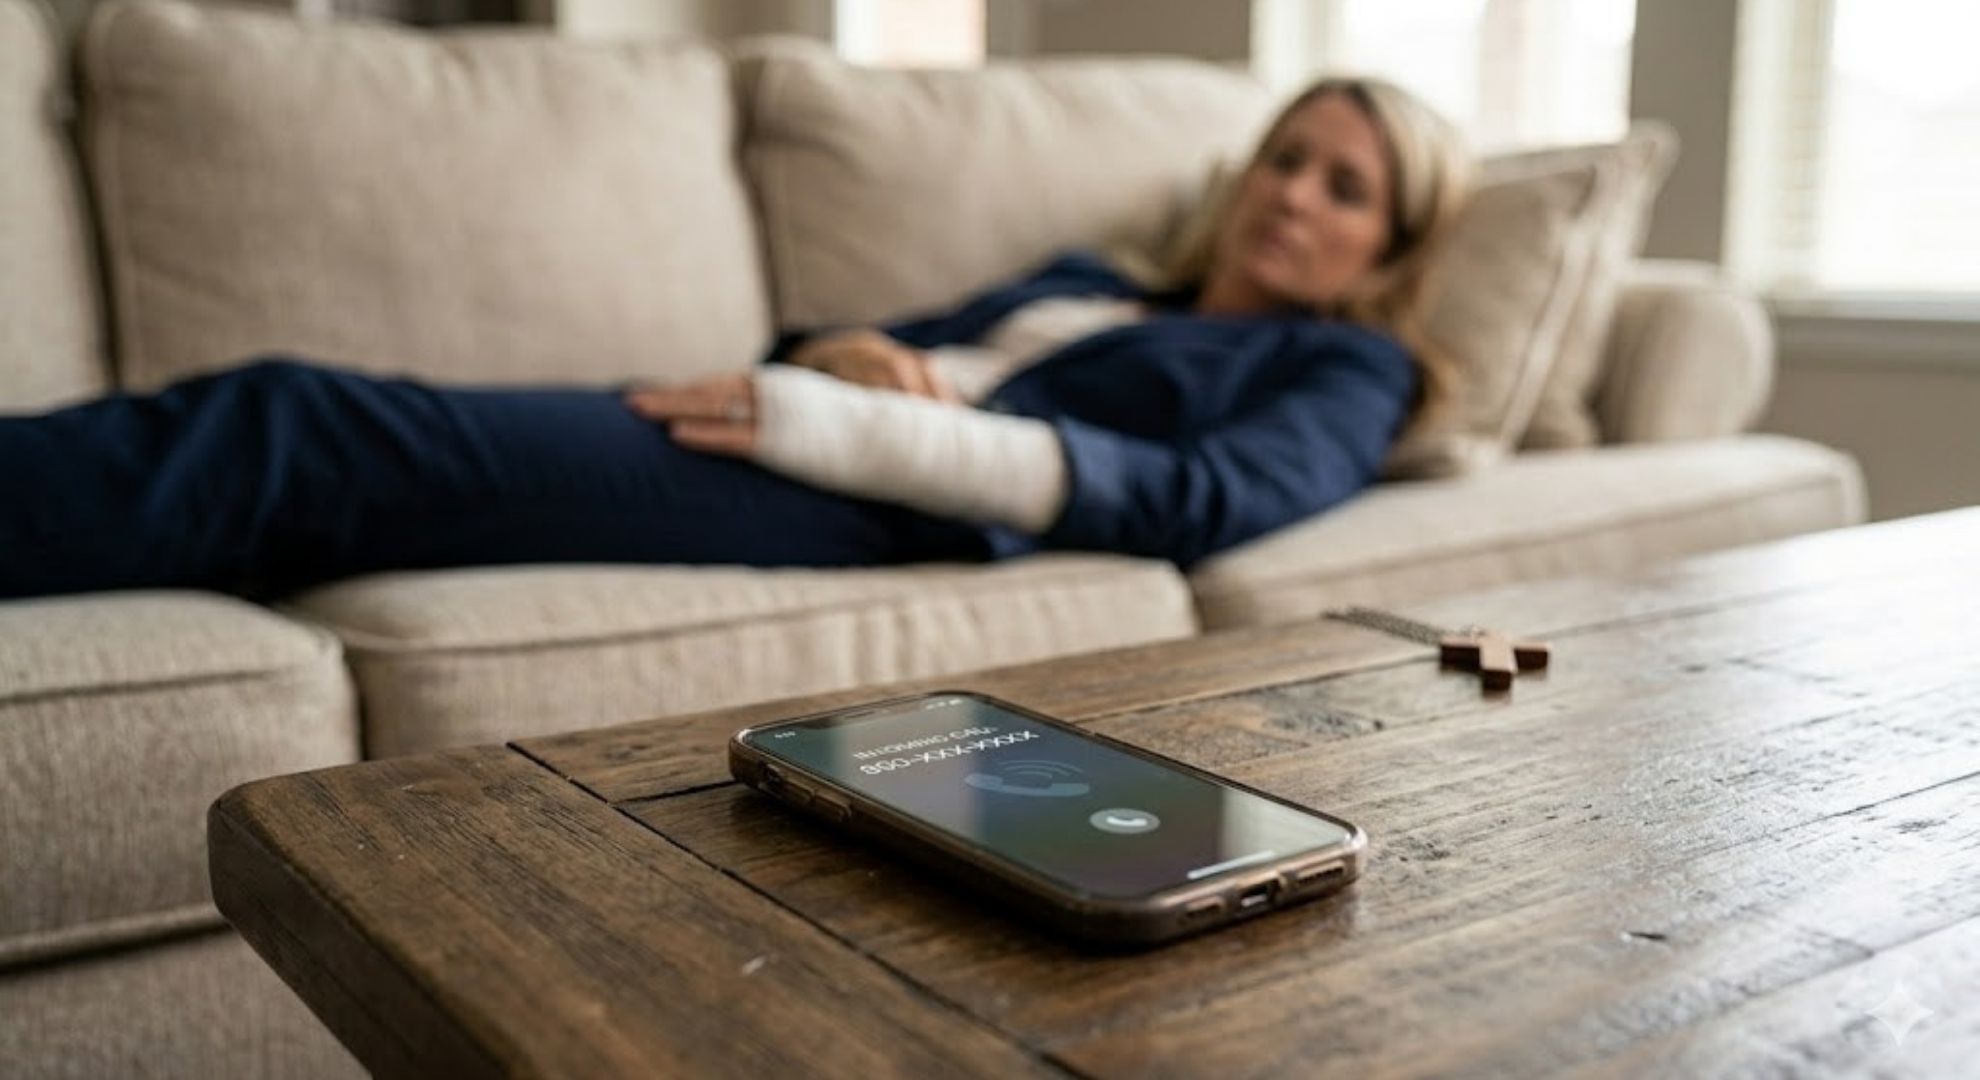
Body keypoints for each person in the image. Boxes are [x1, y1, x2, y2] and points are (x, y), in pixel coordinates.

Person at [0, 77, 1470, 601]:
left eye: (1346, 188)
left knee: (300, 427)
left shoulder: (1349, 367)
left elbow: (1209, 504)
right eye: (1286, 156)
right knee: (319, 451)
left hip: (867, 485)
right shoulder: (1097, 278)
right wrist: (843, 359)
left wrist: (886, 430)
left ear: (1389, 249)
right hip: (793, 414)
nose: (1294, 195)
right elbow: (837, 332)